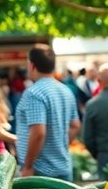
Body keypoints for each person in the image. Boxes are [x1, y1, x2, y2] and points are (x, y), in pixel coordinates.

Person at [15, 44, 80, 180]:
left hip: (41, 171)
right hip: (64, 167)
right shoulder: (65, 90)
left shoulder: (34, 93)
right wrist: (59, 145)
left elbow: (38, 132)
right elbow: (75, 125)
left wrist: (27, 166)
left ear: (32, 65)